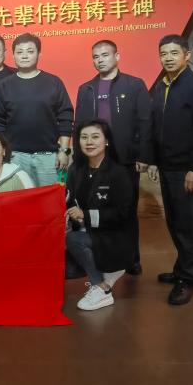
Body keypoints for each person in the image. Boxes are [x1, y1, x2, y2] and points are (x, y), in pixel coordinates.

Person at [146, 35, 193, 306]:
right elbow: (156, 127)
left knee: (187, 224)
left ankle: (187, 279)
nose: (168, 58)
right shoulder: (161, 86)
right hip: (167, 166)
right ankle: (188, 268)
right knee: (175, 222)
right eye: (163, 53)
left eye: (174, 53)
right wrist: (153, 160)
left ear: (187, 55)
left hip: (187, 170)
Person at [74, 40, 152, 275]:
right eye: (96, 56)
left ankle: (131, 258)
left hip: (125, 160)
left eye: (105, 55)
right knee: (95, 209)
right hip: (94, 160)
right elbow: (79, 127)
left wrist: (144, 155)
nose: (100, 60)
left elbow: (145, 122)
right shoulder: (86, 88)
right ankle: (99, 257)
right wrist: (77, 158)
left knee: (126, 211)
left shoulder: (134, 85)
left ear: (117, 56)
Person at [64, 120, 135, 311]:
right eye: (84, 137)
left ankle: (101, 288)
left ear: (107, 141)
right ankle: (105, 273)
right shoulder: (75, 169)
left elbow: (123, 213)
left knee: (73, 240)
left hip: (114, 237)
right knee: (67, 271)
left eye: (95, 137)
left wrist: (85, 215)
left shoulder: (119, 173)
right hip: (87, 232)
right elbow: (69, 200)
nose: (89, 142)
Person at [0, 33, 74, 186]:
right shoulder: (4, 85)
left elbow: (66, 117)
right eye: (19, 52)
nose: (24, 56)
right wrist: (3, 152)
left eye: (30, 51)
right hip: (15, 156)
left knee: (50, 199)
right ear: (13, 55)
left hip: (49, 157)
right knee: (18, 199)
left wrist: (64, 151)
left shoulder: (53, 82)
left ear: (39, 54)